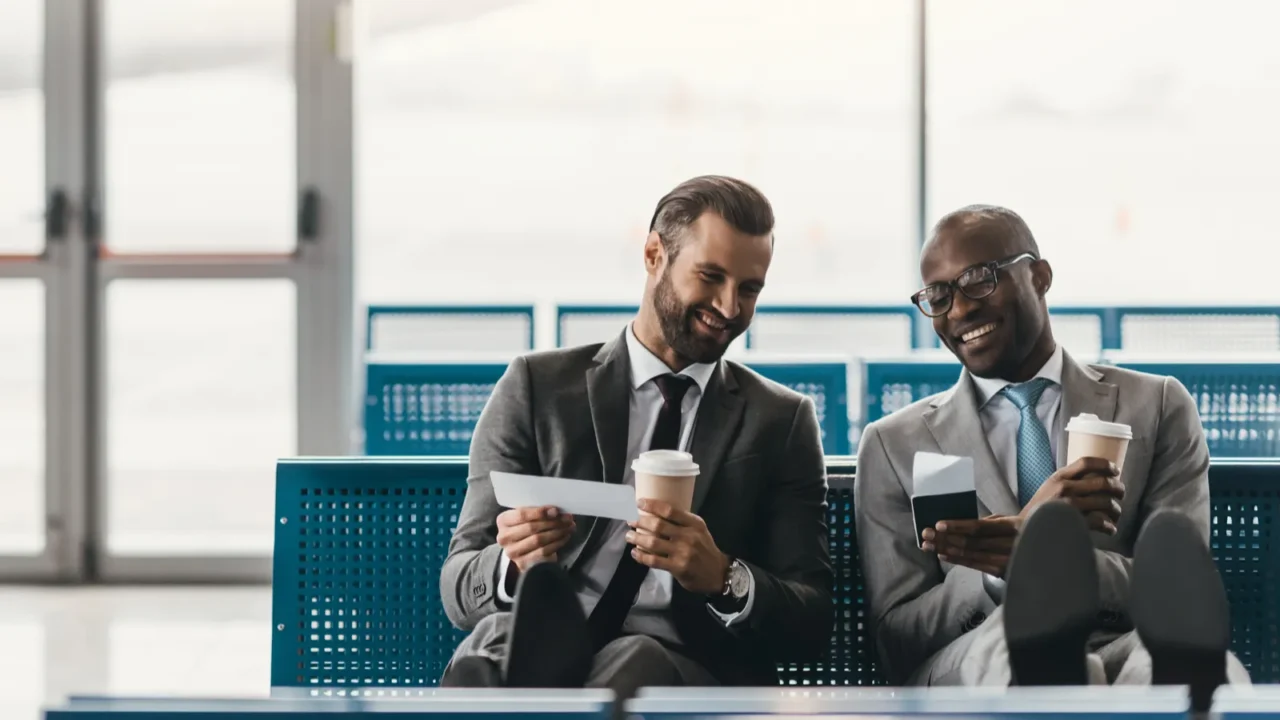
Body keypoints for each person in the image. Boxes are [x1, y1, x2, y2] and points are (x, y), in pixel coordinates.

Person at [439, 176, 832, 698]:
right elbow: (459, 587)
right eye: (710, 276)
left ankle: (510, 695)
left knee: (635, 658)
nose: (731, 307)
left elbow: (812, 620)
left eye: (750, 288)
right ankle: (527, 673)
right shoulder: (537, 389)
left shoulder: (779, 420)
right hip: (535, 636)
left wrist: (722, 576)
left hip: (682, 664)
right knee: (500, 640)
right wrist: (514, 565)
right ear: (653, 255)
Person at [855, 205, 1247, 704]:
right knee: (1003, 649)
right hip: (971, 653)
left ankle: (1161, 678)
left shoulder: (1156, 405)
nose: (958, 310)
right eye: (938, 295)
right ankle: (1045, 654)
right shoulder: (895, 444)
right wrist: (1005, 573)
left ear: (1039, 276)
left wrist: (1055, 562)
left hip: (1119, 641)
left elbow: (1175, 590)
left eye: (979, 280)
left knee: (1182, 663)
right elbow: (897, 639)